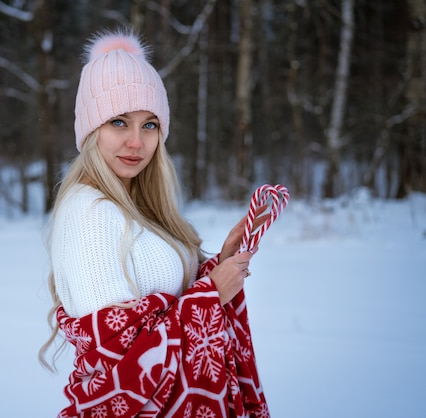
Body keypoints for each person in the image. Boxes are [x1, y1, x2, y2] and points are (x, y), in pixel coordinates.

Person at [40, 29, 270, 418]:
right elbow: (118, 359)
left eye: (149, 125)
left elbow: (163, 305)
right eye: (119, 122)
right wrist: (210, 294)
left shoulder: (132, 203)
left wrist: (215, 266)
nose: (137, 141)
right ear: (91, 130)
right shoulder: (89, 211)